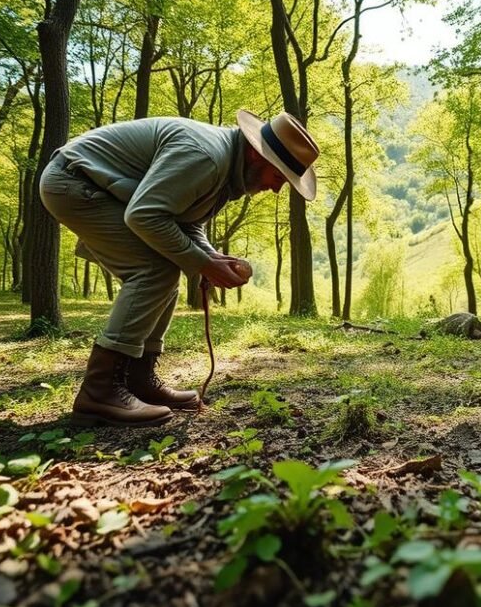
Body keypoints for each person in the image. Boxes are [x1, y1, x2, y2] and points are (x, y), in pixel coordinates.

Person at [40, 110, 319, 426]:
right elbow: (145, 215)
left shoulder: (228, 167)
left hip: (105, 190)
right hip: (75, 181)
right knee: (155, 270)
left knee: (165, 266)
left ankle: (137, 380)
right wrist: (201, 263)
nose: (277, 189)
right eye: (279, 176)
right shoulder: (207, 158)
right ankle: (100, 390)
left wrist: (211, 259)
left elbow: (185, 222)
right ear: (257, 153)